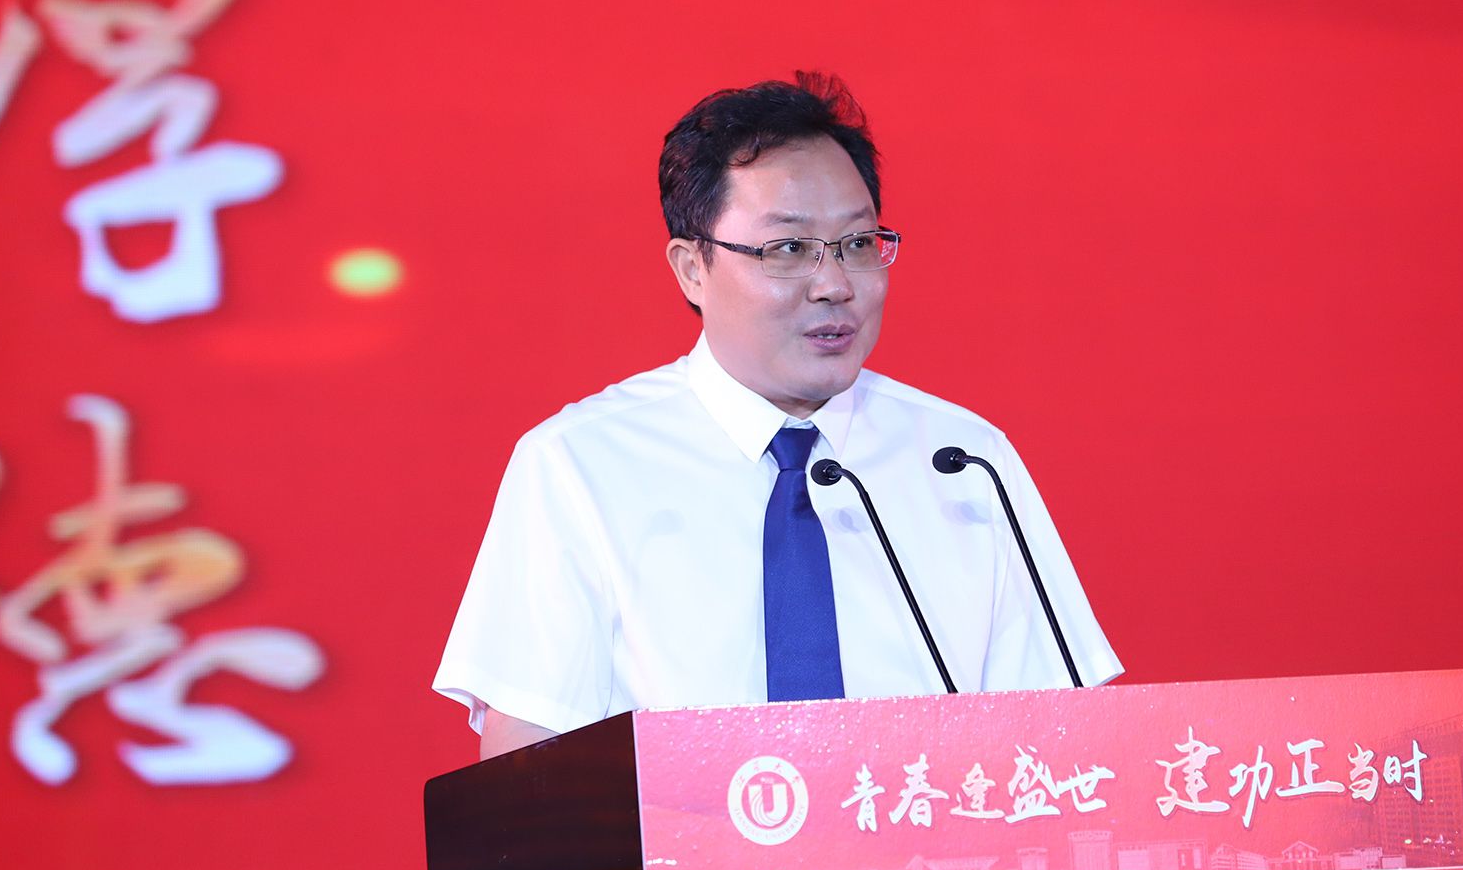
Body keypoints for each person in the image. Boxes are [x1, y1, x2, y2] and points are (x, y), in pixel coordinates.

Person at [434, 72, 1121, 759]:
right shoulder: (581, 464)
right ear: (692, 269)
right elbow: (526, 769)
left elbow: (1064, 747)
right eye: (789, 250)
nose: (835, 285)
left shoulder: (964, 462)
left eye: (858, 243)